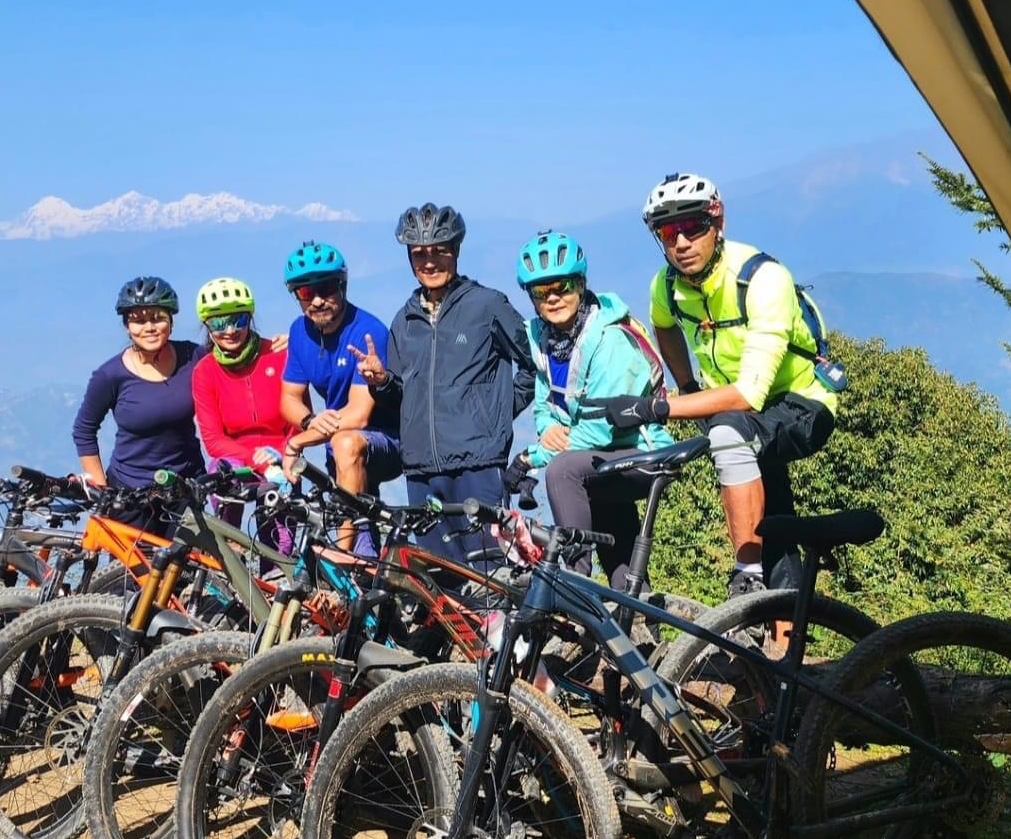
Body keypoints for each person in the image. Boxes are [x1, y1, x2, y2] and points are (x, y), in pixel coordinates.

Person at [580, 172, 839, 599]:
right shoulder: (666, 284)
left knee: (728, 436)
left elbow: (749, 394)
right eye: (668, 232)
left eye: (693, 227)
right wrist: (685, 383)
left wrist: (660, 407)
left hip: (803, 402)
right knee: (773, 516)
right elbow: (665, 328)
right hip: (743, 413)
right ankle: (781, 635)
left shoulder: (762, 278)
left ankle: (747, 576)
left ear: (718, 225)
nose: (681, 242)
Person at [349, 202, 536, 563]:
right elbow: (400, 397)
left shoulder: (487, 306)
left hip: (478, 465)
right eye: (419, 254)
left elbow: (532, 367)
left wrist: (495, 414)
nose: (429, 262)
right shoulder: (404, 320)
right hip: (421, 471)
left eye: (440, 251)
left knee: (489, 574)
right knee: (439, 581)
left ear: (456, 252)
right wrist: (381, 381)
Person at [504, 231, 676, 590]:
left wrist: (531, 457)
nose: (552, 297)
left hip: (642, 452)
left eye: (562, 286)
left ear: (580, 284)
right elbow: (544, 405)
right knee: (623, 570)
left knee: (563, 471)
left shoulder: (609, 340)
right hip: (601, 458)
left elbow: (600, 427)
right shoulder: (545, 341)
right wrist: (548, 429)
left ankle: (572, 583)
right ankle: (639, 629)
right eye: (540, 291)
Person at [278, 241, 402, 553]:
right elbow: (289, 399)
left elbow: (359, 415)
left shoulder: (367, 331)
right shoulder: (299, 331)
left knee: (346, 442)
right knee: (365, 545)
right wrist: (310, 419)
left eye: (327, 288)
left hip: (386, 440)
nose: (318, 300)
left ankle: (339, 555)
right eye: (306, 293)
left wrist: (298, 441)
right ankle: (361, 569)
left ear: (342, 286)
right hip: (339, 442)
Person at [72, 275, 204, 529]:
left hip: (185, 488)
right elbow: (84, 430)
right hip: (129, 495)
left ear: (171, 321)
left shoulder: (194, 356)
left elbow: (234, 364)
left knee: (187, 568)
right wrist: (101, 488)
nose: (149, 327)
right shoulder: (110, 375)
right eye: (139, 320)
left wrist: (274, 347)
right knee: (130, 570)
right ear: (127, 327)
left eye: (157, 318)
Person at [191, 276, 293, 536]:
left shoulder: (280, 355)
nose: (230, 330)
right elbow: (213, 440)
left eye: (239, 320)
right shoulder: (205, 371)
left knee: (279, 551)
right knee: (222, 476)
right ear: (207, 326)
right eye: (218, 323)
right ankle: (230, 550)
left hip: (282, 459)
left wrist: (283, 454)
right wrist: (258, 461)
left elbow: (299, 419)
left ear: (250, 318)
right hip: (238, 461)